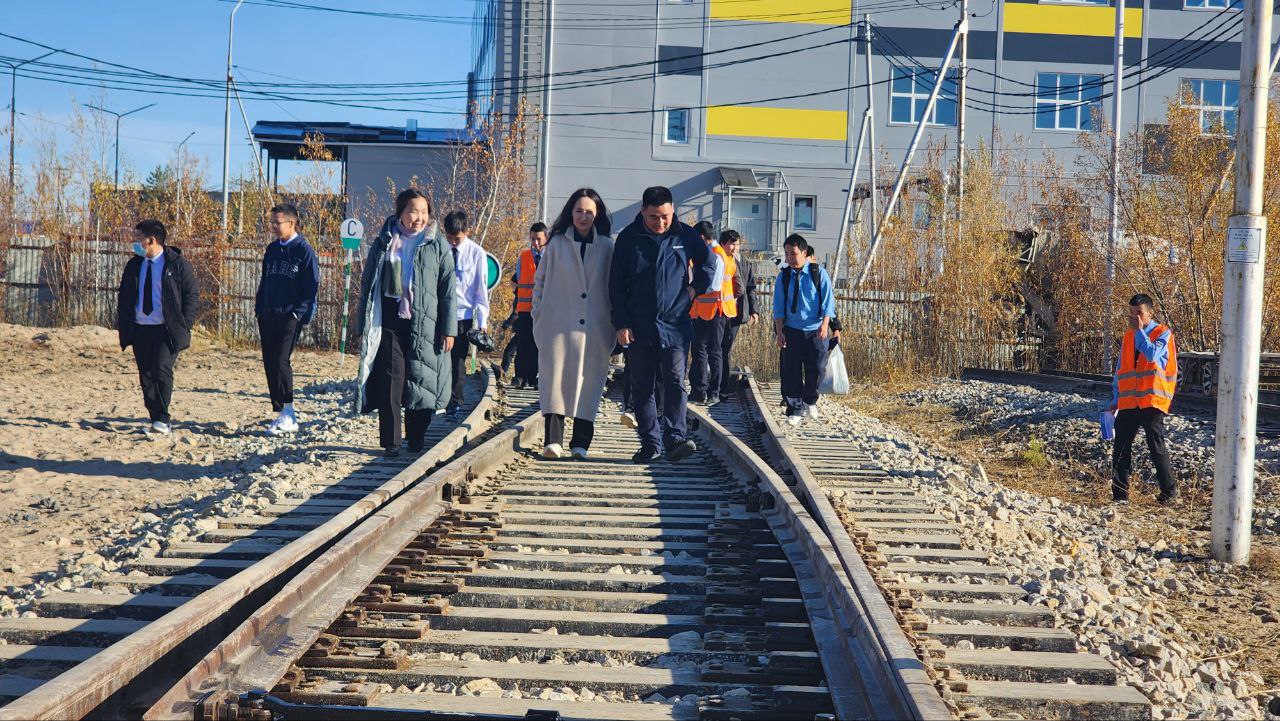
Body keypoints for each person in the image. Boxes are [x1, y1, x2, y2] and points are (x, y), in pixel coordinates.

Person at [610, 185, 716, 463]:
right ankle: (650, 443)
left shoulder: (685, 235)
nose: (660, 223)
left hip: (676, 325)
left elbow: (709, 263)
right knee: (643, 386)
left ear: (673, 211)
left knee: (675, 382)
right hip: (638, 325)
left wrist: (695, 289)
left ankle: (676, 438)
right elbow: (616, 285)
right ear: (642, 211)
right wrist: (621, 324)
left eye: (665, 217)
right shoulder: (629, 239)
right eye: (654, 217)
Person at [354, 189, 457, 457]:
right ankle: (391, 441)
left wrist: (449, 329)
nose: (419, 217)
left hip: (425, 320)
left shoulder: (437, 245)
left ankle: (416, 435)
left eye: (424, 212)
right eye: (413, 211)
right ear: (400, 212)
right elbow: (367, 285)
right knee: (391, 378)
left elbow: (448, 291)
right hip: (389, 318)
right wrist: (361, 325)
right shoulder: (384, 242)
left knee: (420, 378)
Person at [533, 189, 616, 459]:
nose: (583, 217)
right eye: (579, 211)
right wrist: (538, 314)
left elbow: (615, 286)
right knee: (554, 379)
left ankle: (580, 443)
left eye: (589, 212)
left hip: (595, 326)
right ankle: (553, 441)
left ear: (597, 214)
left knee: (589, 382)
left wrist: (612, 325)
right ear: (571, 212)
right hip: (557, 322)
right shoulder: (556, 244)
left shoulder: (607, 247)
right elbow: (539, 282)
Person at [116, 219, 199, 435]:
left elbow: (191, 295)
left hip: (166, 329)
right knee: (146, 375)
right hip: (140, 328)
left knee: (161, 370)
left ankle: (163, 418)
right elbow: (124, 294)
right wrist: (124, 320)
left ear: (151, 240)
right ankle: (155, 417)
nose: (134, 243)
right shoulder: (135, 265)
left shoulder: (176, 264)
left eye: (138, 238)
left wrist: (185, 323)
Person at [254, 203, 320, 436]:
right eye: (271, 222)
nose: (273, 226)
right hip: (268, 313)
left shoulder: (304, 250)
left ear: (291, 223)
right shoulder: (272, 249)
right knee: (270, 361)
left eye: (277, 222)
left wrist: (297, 313)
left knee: (282, 360)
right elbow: (264, 280)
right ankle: (280, 410)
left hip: (290, 315)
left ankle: (289, 412)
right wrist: (259, 307)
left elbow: (311, 285)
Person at [1111, 293, 1179, 505]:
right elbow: (1120, 369)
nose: (1133, 317)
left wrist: (1140, 331)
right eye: (1131, 313)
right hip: (1129, 401)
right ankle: (1120, 495)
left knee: (1155, 445)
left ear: (1150, 313)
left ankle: (1169, 492)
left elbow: (1151, 354)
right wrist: (1116, 397)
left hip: (1152, 401)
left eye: (1138, 313)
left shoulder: (1163, 333)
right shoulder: (1128, 336)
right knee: (1121, 446)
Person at [773, 234, 835, 427]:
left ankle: (810, 401)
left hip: (816, 331)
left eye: (793, 254)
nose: (790, 258)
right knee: (791, 371)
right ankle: (794, 408)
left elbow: (828, 303)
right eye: (787, 254)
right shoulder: (783, 277)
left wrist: (825, 325)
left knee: (817, 369)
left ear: (804, 253)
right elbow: (778, 308)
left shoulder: (819, 273)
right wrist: (780, 332)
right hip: (792, 330)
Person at [443, 211, 490, 422]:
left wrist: (482, 321)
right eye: (449, 238)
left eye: (457, 238)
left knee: (457, 362)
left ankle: (454, 404)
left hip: (463, 315)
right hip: (440, 313)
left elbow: (481, 291)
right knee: (438, 361)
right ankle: (438, 401)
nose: (453, 242)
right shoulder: (440, 249)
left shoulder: (476, 253)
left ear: (467, 232)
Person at [688, 221, 736, 406]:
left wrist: (693, 290)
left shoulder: (716, 255)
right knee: (698, 350)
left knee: (714, 352)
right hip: (702, 310)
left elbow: (714, 285)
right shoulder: (707, 253)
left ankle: (713, 392)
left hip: (716, 310)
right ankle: (699, 391)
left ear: (702, 238)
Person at [719, 229, 758, 398]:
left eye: (737, 244)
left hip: (737, 312)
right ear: (723, 244)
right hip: (719, 311)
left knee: (726, 347)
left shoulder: (745, 264)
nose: (735, 248)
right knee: (717, 348)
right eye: (731, 244)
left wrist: (754, 310)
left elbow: (751, 288)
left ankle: (723, 385)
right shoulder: (719, 260)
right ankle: (717, 384)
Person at [512, 222, 549, 389]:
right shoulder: (524, 256)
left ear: (546, 238)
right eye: (533, 239)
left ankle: (536, 377)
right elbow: (519, 279)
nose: (535, 242)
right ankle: (521, 376)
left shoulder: (551, 257)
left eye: (538, 239)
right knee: (523, 343)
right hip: (525, 309)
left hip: (545, 310)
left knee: (540, 344)